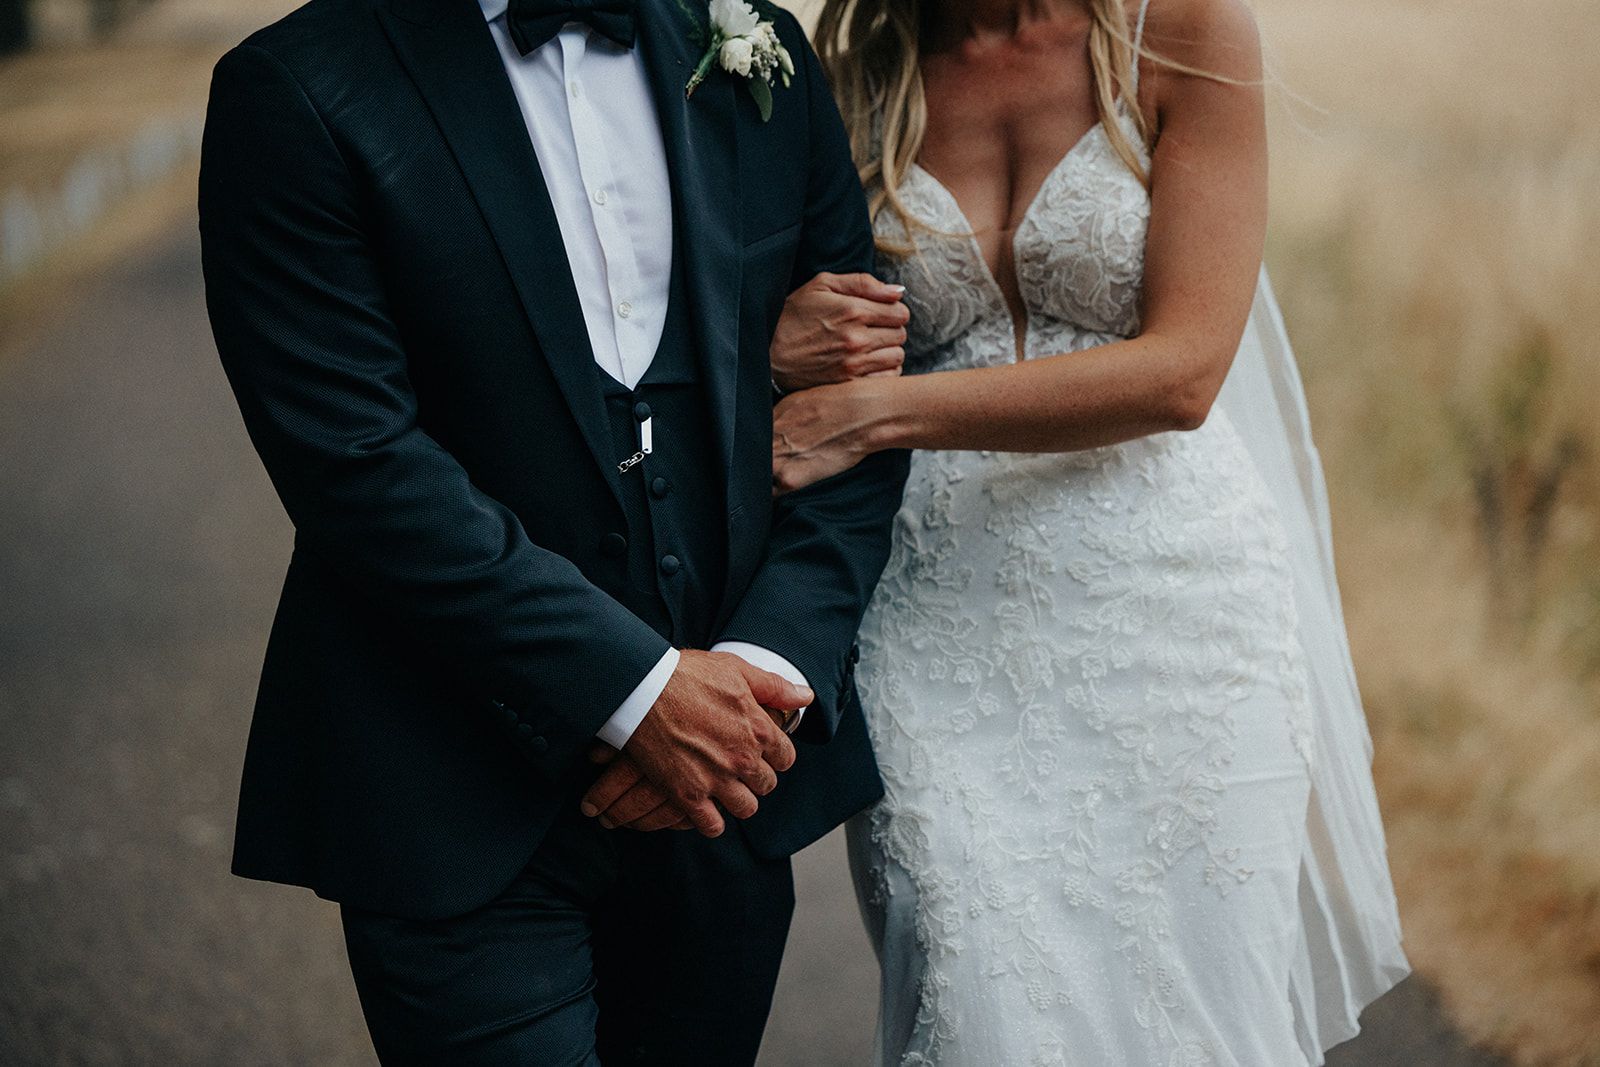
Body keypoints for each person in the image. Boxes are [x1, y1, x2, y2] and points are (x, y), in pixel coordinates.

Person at [196, 0, 910, 1061]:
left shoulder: (755, 45)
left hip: (719, 794)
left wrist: (761, 673)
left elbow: (857, 415)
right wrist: (636, 692)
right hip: (452, 786)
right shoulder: (298, 87)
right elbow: (354, 463)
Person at [768, 0, 1410, 1062]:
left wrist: (876, 415)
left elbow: (1185, 369)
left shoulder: (1184, 32)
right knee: (973, 997)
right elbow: (755, 327)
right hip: (937, 621)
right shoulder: (849, 76)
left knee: (1196, 1012)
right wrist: (783, 349)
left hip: (1176, 608)